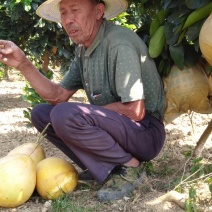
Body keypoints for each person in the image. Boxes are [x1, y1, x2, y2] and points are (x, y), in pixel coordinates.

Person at [0, 0, 165, 201]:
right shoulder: (83, 50)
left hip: (145, 133)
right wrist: (23, 64)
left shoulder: (119, 43)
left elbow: (135, 111)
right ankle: (103, 166)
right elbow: (58, 96)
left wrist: (86, 117)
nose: (68, 20)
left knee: (65, 115)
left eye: (75, 10)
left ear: (98, 11)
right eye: (63, 13)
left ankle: (129, 168)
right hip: (120, 130)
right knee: (42, 114)